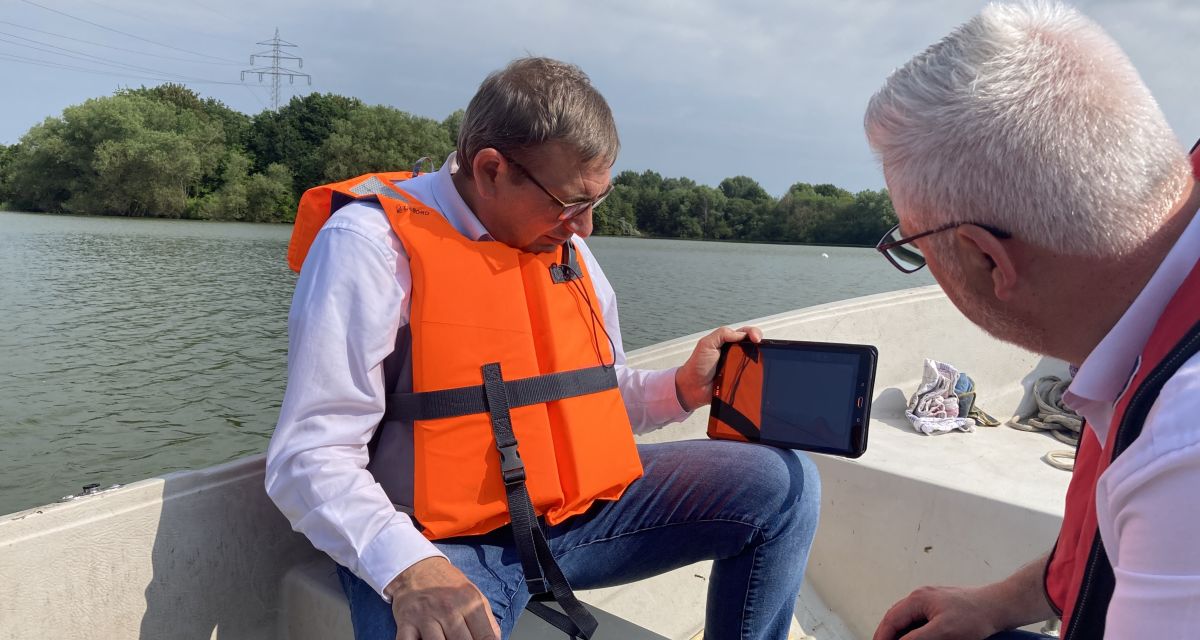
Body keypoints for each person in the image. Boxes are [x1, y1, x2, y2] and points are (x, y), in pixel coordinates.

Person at [265, 56, 820, 640]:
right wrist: (411, 569)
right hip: (437, 542)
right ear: (490, 169)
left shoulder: (565, 246)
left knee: (784, 487)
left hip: (575, 519)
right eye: (571, 203)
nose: (583, 228)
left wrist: (681, 388)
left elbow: (594, 393)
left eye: (594, 204)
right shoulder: (367, 246)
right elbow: (310, 456)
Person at [863, 3, 1200, 640]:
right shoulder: (1153, 321)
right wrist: (993, 604)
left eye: (912, 246)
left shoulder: (1183, 447)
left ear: (987, 259)